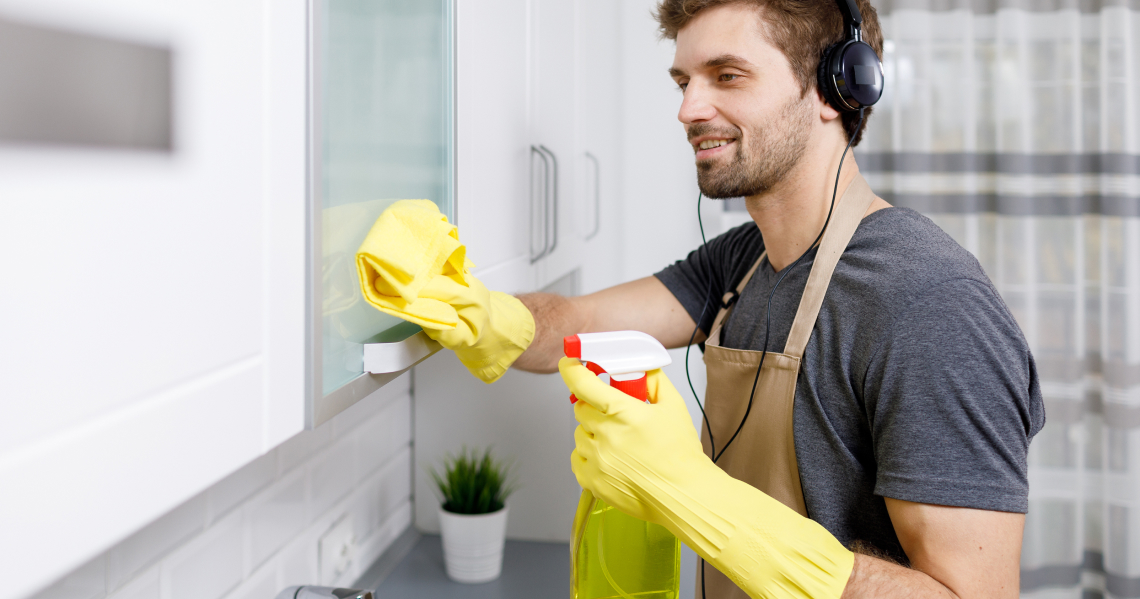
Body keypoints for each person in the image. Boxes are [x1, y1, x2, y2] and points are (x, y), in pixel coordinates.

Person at [355, 0, 1045, 597]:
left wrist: (691, 492)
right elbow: (577, 324)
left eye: (728, 76)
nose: (689, 108)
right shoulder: (741, 262)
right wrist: (467, 307)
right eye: (684, 80)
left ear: (838, 87)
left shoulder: (928, 302)